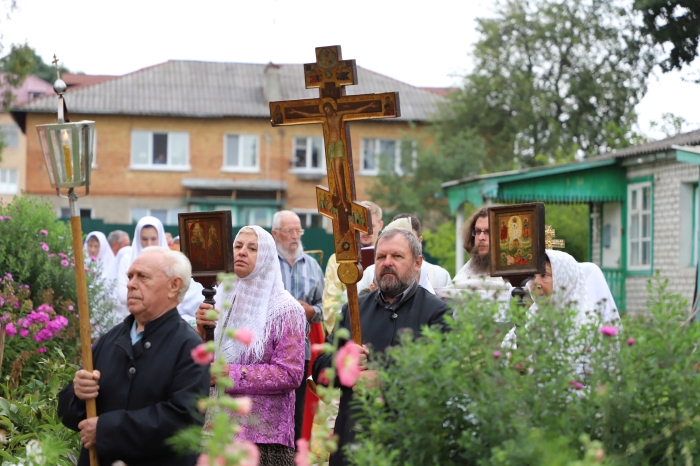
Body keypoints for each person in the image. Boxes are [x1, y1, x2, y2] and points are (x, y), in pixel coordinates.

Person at [57, 247, 210, 466]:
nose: (130, 284)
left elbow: (183, 421)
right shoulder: (109, 339)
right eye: (130, 276)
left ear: (173, 286)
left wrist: (107, 430)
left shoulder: (190, 348)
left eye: (143, 277)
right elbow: (69, 415)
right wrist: (77, 394)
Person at [312, 228, 450, 466]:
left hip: (407, 445)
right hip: (352, 443)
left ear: (417, 263)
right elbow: (320, 371)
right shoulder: (353, 310)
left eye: (396, 256)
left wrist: (386, 381)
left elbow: (443, 376)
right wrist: (345, 363)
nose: (387, 263)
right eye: (380, 257)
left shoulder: (437, 313)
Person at [195, 226, 306, 466]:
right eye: (238, 246)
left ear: (266, 257)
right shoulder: (221, 299)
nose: (242, 252)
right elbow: (207, 361)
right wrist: (202, 331)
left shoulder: (286, 310)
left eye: (252, 248)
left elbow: (290, 373)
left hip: (262, 439)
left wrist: (230, 373)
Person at [271, 210, 324, 443]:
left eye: (298, 231)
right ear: (275, 234)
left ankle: (293, 457)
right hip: (268, 350)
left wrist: (312, 311)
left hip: (300, 349)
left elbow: (324, 305)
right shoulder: (266, 265)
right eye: (288, 231)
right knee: (271, 410)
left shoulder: (312, 266)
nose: (295, 236)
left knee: (298, 411)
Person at [116, 216, 203, 325]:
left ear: (160, 237)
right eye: (144, 239)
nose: (149, 244)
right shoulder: (127, 259)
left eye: (153, 239)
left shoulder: (171, 260)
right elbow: (122, 295)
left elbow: (178, 293)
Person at [322, 200, 383, 333]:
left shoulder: (389, 258)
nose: (366, 231)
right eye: (361, 226)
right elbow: (330, 305)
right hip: (351, 332)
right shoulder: (338, 260)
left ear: (380, 225)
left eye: (371, 226)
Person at [437, 207, 512, 302]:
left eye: (488, 232)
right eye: (478, 231)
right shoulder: (464, 275)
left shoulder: (513, 274)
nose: (481, 237)